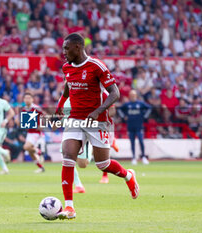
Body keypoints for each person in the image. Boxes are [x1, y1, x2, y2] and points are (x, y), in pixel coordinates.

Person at [55, 33, 139, 220]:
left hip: (97, 120)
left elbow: (114, 93)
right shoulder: (66, 67)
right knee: (68, 156)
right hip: (75, 118)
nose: (64, 53)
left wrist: (97, 111)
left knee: (103, 164)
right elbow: (69, 85)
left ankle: (128, 176)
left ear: (78, 47)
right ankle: (69, 207)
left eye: (66, 49)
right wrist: (61, 104)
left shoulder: (96, 66)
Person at [118, 90, 151, 165]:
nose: (132, 96)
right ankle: (133, 157)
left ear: (136, 96)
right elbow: (119, 109)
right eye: (131, 95)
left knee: (141, 141)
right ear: (129, 96)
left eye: (134, 95)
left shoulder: (140, 103)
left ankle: (143, 157)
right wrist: (123, 116)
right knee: (132, 142)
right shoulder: (127, 104)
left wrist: (145, 116)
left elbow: (149, 108)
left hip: (139, 126)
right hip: (130, 126)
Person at [21, 92, 46, 173]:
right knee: (30, 151)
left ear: (32, 99)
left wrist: (42, 125)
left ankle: (39, 152)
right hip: (30, 133)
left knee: (26, 147)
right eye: (26, 98)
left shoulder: (36, 108)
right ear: (24, 99)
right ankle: (41, 167)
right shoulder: (24, 109)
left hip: (36, 133)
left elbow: (45, 117)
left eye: (29, 98)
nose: (27, 100)